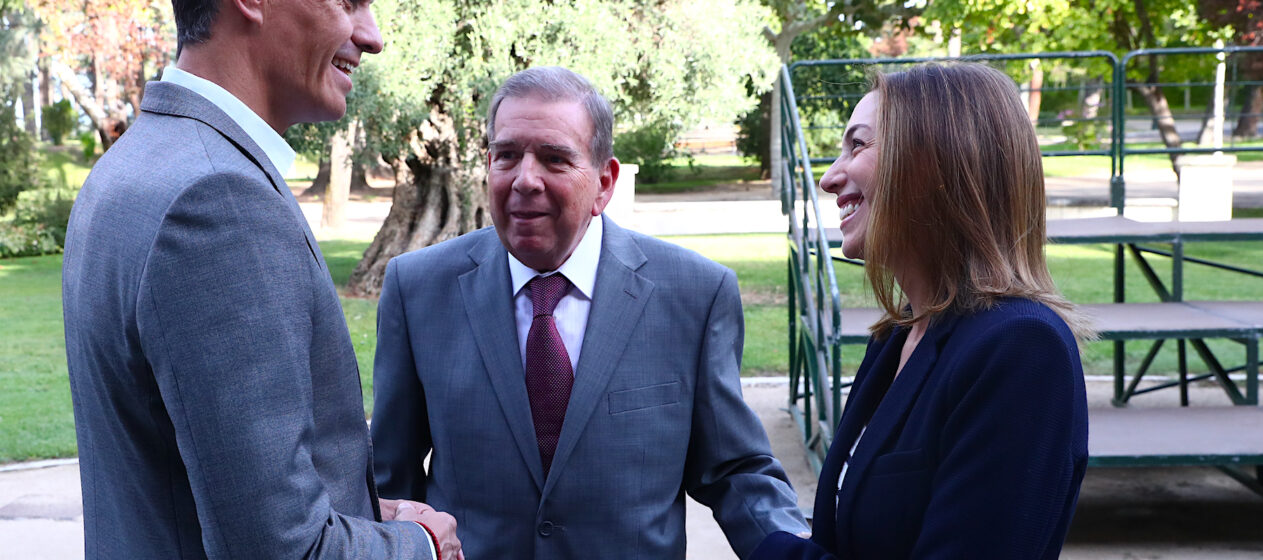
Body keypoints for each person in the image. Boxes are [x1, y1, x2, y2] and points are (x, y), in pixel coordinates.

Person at [62, 0, 460, 558]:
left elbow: (189, 484)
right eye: (348, 3)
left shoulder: (134, 164)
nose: (371, 37)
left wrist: (369, 512)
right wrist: (420, 543)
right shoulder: (219, 198)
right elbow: (282, 549)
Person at [370, 66, 809, 559]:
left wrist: (791, 552)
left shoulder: (695, 294)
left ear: (604, 182)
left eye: (555, 159)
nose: (525, 180)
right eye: (507, 156)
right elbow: (389, 475)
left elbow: (734, 470)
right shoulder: (418, 289)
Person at [751, 62, 1092, 559]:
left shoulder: (1021, 350)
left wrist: (775, 550)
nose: (829, 178)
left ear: (936, 160)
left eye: (858, 145)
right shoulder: (900, 334)